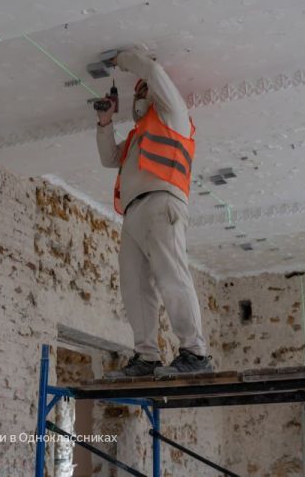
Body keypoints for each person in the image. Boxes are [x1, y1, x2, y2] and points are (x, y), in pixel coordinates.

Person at [95, 45, 212, 377]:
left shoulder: (174, 115)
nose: (140, 96)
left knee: (171, 276)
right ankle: (146, 357)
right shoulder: (139, 135)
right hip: (134, 213)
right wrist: (105, 122)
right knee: (134, 286)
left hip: (163, 204)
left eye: (143, 90)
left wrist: (124, 60)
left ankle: (195, 353)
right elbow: (109, 158)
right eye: (138, 92)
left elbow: (155, 72)